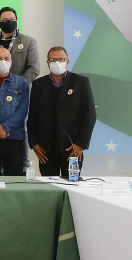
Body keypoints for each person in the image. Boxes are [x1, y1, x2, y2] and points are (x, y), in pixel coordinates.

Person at [27, 47, 97, 177]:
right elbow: (32, 117)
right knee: (50, 187)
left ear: (67, 61)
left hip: (72, 148)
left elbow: (89, 116)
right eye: (53, 60)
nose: (57, 62)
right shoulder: (38, 85)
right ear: (48, 63)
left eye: (61, 59)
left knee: (72, 185)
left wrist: (81, 144)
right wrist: (34, 144)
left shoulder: (81, 83)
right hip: (45, 149)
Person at [0, 48, 30, 175]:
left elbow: (23, 109)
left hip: (15, 139)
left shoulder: (21, 82)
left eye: (6, 59)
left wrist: (5, 127)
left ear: (11, 62)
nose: (3, 61)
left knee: (14, 181)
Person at [0, 7, 40, 83]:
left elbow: (34, 68)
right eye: (5, 20)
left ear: (17, 21)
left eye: (12, 20)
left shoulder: (29, 41)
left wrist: (19, 84)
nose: (9, 22)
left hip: (20, 90)